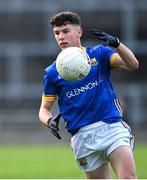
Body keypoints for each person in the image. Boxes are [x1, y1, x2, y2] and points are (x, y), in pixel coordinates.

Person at [39, 11, 139, 179]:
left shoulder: (99, 54)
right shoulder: (52, 72)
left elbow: (132, 64)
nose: (60, 37)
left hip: (111, 127)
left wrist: (117, 44)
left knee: (128, 177)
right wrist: (48, 121)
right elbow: (44, 109)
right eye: (57, 33)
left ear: (79, 32)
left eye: (65, 31)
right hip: (82, 137)